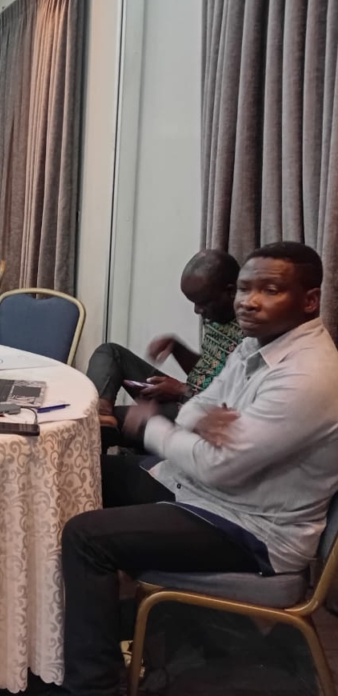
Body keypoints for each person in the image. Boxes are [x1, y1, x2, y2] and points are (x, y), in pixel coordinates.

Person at [61, 242, 338, 696]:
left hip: (250, 530)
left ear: (309, 300)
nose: (249, 301)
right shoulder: (254, 344)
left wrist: (152, 426)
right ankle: (77, 629)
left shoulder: (307, 376)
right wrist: (200, 422)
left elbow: (216, 465)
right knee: (84, 475)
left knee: (85, 537)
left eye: (270, 290)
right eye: (245, 289)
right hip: (204, 492)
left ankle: (93, 685)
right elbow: (196, 406)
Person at [87, 249, 244, 432]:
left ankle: (98, 425)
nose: (197, 310)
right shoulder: (218, 316)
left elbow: (234, 400)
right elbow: (209, 370)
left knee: (107, 420)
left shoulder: (252, 333)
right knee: (111, 352)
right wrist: (177, 348)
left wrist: (183, 392)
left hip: (199, 413)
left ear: (230, 291)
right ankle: (101, 412)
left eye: (203, 302)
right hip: (187, 395)